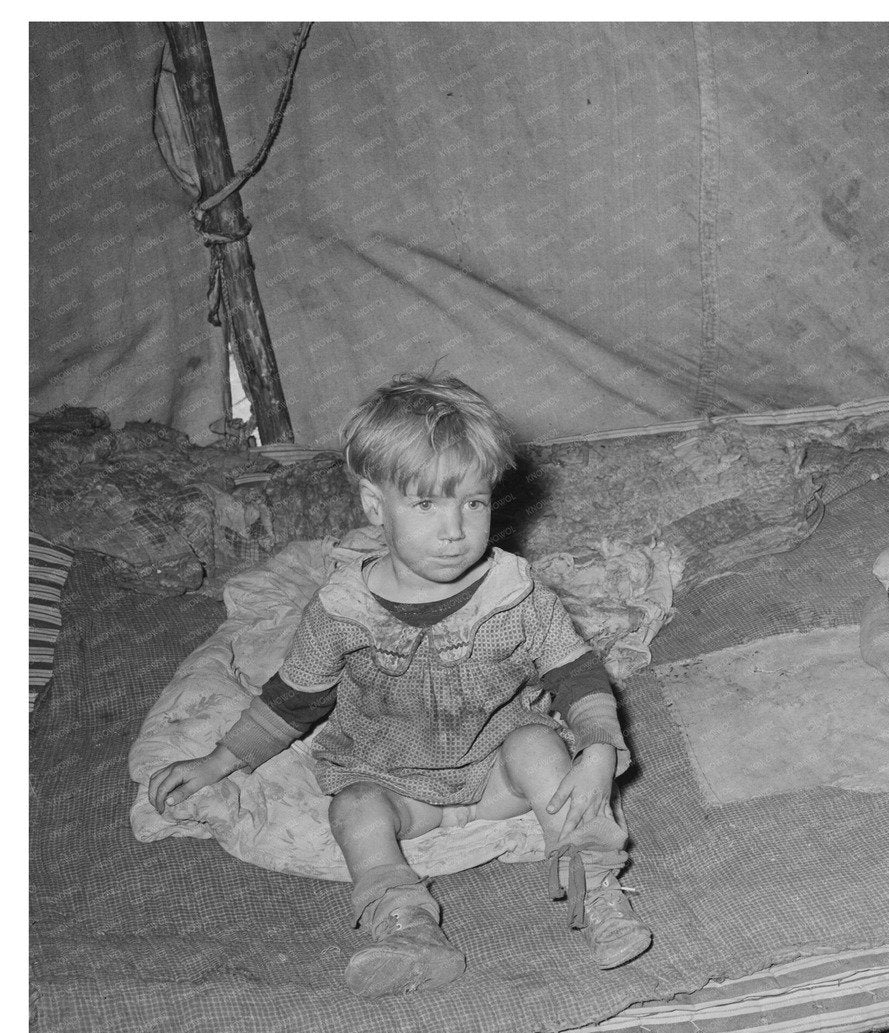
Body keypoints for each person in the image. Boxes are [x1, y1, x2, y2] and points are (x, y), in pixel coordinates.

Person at [147, 373, 651, 998]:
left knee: (538, 745)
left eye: (473, 503)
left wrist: (599, 748)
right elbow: (293, 698)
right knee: (353, 808)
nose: (454, 530)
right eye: (426, 505)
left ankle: (598, 890)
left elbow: (575, 673)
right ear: (374, 507)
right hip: (397, 786)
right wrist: (219, 762)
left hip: (497, 776)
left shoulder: (515, 594)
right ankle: (407, 927)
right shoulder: (341, 610)